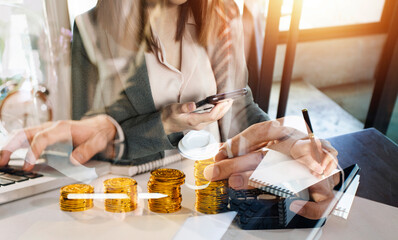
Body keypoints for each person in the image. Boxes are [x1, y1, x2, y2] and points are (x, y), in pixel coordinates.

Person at [0, 0, 338, 189]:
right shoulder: (92, 28)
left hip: (214, 192)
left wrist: (289, 141)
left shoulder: (222, 13)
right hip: (136, 201)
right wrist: (166, 124)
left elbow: (241, 110)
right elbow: (91, 150)